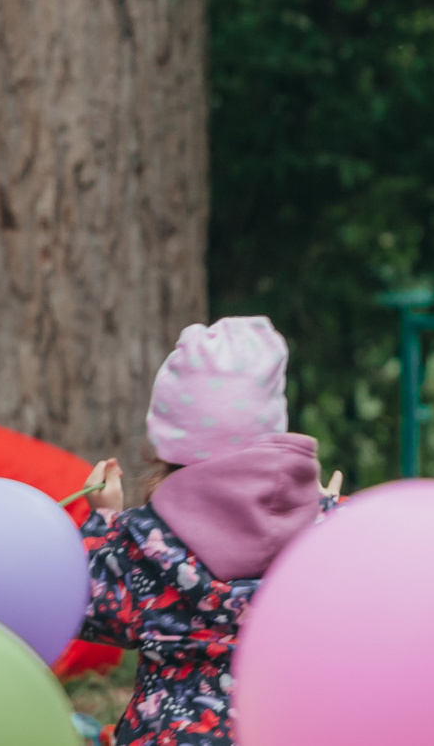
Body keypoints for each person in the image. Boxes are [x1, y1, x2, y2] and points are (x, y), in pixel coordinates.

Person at [76, 317, 341, 746]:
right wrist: (326, 512)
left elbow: (88, 609)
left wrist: (102, 521)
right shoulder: (329, 531)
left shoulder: (141, 538)